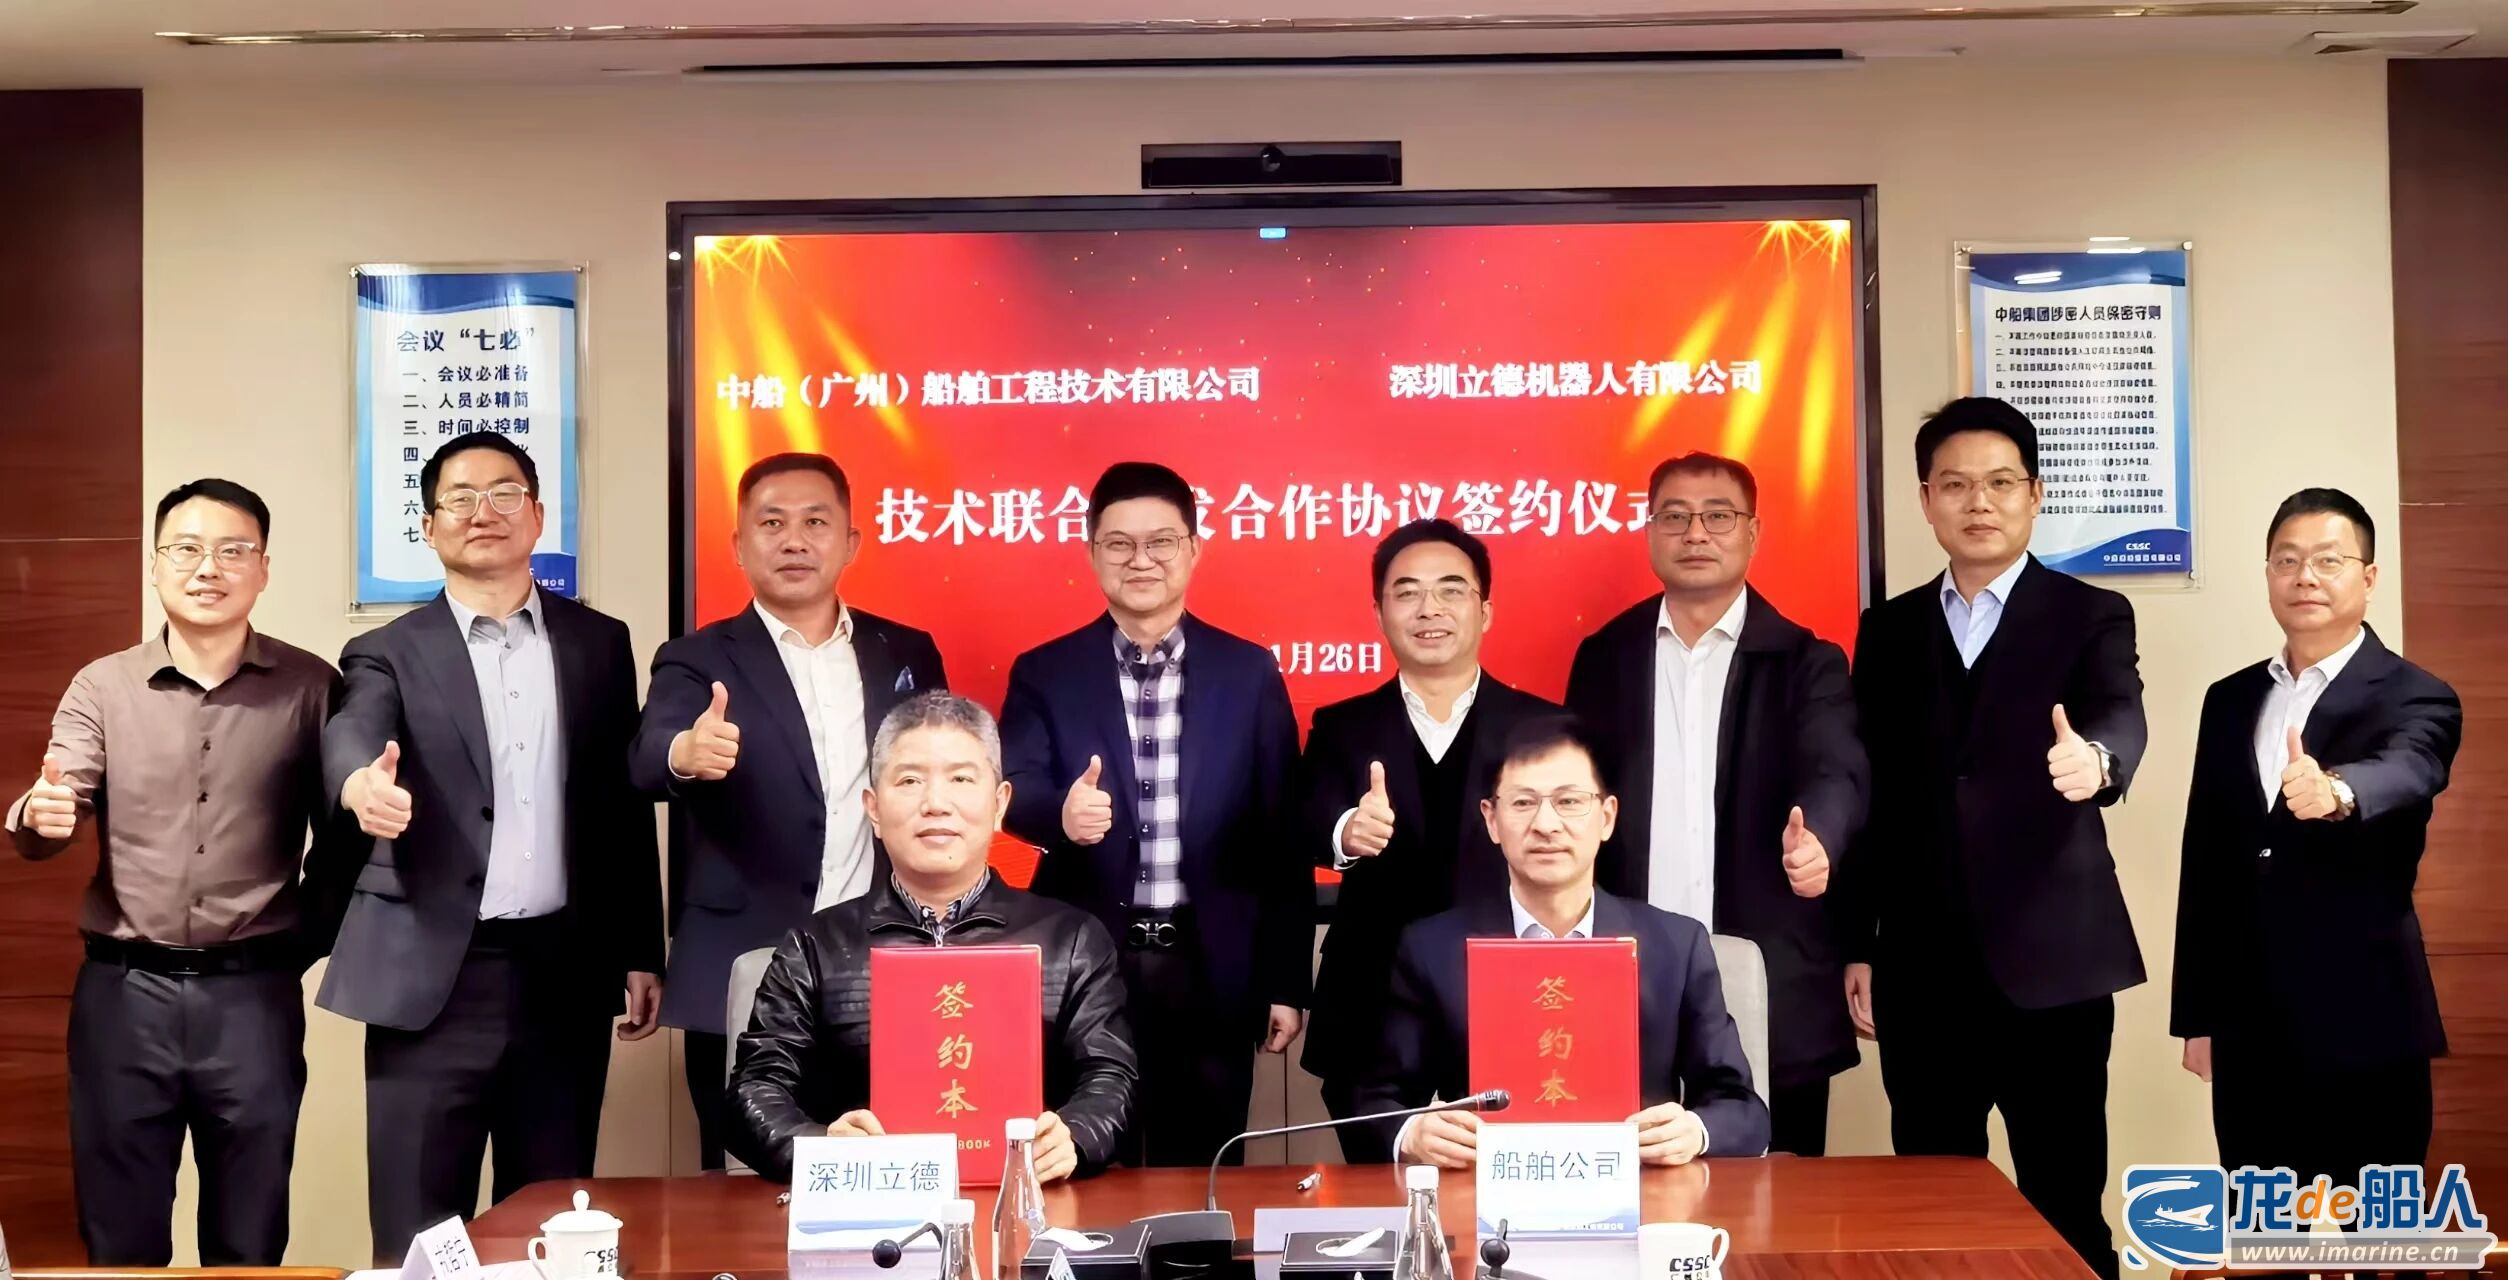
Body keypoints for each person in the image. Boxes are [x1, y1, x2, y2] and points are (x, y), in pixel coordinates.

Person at [321, 431, 664, 1261]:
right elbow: (354, 729)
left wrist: (639, 949)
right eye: (460, 498)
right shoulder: (387, 650)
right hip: (432, 980)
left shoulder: (599, 643)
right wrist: (361, 784)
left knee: (547, 1225)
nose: (484, 511)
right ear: (429, 527)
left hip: (562, 976)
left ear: (538, 516)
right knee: (417, 1232)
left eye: (505, 493)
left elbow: (617, 808)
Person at [3, 480, 358, 1266]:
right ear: (156, 565)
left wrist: (297, 944)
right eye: (186, 549)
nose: (208, 568)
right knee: (120, 1240)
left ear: (263, 568)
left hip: (254, 1002)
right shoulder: (103, 685)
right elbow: (58, 798)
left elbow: (343, 841)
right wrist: (39, 814)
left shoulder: (311, 687)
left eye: (232, 550)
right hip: (124, 999)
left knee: (250, 1237)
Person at [1841, 397, 2146, 1279]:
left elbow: (2120, 711)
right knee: (1932, 1209)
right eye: (1956, 485)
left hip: (2055, 967)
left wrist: (2098, 761)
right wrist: (1858, 942)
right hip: (1922, 969)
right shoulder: (1887, 630)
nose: (1979, 502)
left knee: (2066, 1201)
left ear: (2035, 495)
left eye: (2001, 483)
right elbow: (1869, 796)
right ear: (1926, 500)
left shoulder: (2092, 613)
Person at [630, 451, 948, 1169]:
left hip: (885, 962)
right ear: (739, 545)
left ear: (851, 542)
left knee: (894, 1170)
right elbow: (648, 756)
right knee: (746, 1187)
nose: (794, 540)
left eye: (815, 522)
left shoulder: (906, 652)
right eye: (771, 524)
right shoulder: (696, 657)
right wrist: (687, 751)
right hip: (744, 963)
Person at [999, 461, 1308, 1167]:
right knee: (1083, 1159)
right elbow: (1015, 783)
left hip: (1211, 966)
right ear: (1091, 552)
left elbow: (1282, 836)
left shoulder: (1248, 672)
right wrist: (1059, 815)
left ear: (1193, 549)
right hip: (1086, 966)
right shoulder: (1045, 671)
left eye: (1161, 542)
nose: (1141, 560)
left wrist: (1286, 982)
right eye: (1119, 544)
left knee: (1202, 1170)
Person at [1565, 452, 1867, 1156]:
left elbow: (1838, 769)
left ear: (1753, 532)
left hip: (1767, 970)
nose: (1695, 532)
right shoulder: (1605, 657)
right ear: (1650, 532)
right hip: (1627, 972)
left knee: (1780, 1189)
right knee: (1626, 1184)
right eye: (1675, 516)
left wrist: (1820, 838)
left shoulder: (1805, 661)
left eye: (1718, 516)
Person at [2173, 488, 2460, 1187]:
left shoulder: (2417, 693)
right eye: (2288, 560)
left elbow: (2412, 766)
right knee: (2258, 1226)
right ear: (2268, 573)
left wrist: (2339, 792)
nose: (2305, 577)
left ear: (2369, 576)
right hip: (2248, 1027)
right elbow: (2205, 861)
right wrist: (2198, 1016)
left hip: (2369, 1019)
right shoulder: (2229, 699)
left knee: (2375, 1232)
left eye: (2329, 560)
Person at [728, 693, 1136, 1183]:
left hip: (1029, 1204)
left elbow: (1113, 1078)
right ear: (873, 810)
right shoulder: (816, 946)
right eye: (910, 781)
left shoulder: (1070, 940)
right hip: (867, 1204)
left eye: (961, 779)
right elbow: (755, 1088)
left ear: (999, 804)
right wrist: (822, 1149)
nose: (936, 804)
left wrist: (1075, 1136)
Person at [1358, 714, 1769, 1167]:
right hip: (1486, 1194)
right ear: (1491, 820)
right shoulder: (1431, 949)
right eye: (1523, 803)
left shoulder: (1676, 945)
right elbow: (1377, 1102)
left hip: (1641, 1192)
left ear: (1607, 817)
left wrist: (1695, 1131)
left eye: (1569, 801)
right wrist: (1413, 1134)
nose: (1546, 824)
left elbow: (1744, 1110)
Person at [1298, 519, 1559, 1161]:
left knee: (1507, 1198)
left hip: (1513, 1002)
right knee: (1384, 1194)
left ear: (1484, 610)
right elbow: (1301, 821)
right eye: (1407, 592)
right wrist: (1346, 832)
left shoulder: (1545, 727)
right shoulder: (1342, 725)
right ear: (1380, 612)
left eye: (1450, 590)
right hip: (1371, 1016)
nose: (1428, 609)